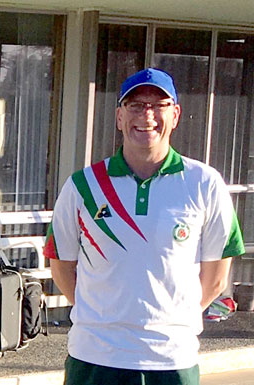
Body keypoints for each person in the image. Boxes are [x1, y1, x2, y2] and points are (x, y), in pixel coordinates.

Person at [47, 68, 245, 385]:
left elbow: (216, 278)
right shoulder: (82, 185)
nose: (147, 115)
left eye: (159, 105)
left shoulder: (204, 183)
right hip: (95, 358)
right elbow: (61, 267)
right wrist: (103, 317)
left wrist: (171, 321)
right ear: (119, 117)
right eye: (136, 105)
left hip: (172, 361)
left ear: (176, 114)